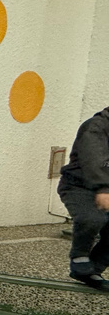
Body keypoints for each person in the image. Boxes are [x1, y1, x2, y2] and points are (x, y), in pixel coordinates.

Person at [58, 106, 109, 290]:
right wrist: (103, 188)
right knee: (92, 218)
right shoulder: (96, 127)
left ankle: (92, 269)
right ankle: (79, 257)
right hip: (78, 186)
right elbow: (94, 159)